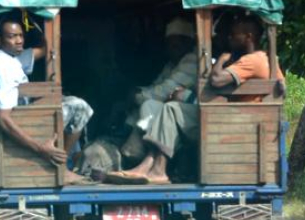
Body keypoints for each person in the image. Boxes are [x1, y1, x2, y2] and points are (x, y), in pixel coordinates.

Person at [109, 14, 279, 184]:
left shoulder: (251, 61)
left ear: (249, 37)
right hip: (227, 115)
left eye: (234, 34)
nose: (229, 38)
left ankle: (157, 169)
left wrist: (222, 58)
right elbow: (281, 84)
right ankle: (149, 166)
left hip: (228, 120)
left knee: (171, 109)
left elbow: (216, 80)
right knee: (170, 109)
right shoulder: (264, 59)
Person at [0, 15, 94, 186]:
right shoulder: (1, 67)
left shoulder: (11, 59)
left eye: (21, 35)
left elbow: (44, 50)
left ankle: (62, 164)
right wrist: (40, 148)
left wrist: (43, 27)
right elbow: (3, 119)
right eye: (12, 36)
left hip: (28, 114)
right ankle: (61, 167)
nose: (19, 41)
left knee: (72, 103)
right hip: (24, 121)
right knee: (79, 107)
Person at [120, 17, 198, 160]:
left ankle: (146, 156)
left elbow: (166, 91)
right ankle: (130, 152)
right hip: (173, 111)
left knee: (148, 104)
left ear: (188, 43)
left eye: (176, 45)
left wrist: (138, 95)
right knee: (145, 107)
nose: (172, 48)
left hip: (191, 116)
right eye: (170, 44)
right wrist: (139, 92)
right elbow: (156, 86)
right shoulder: (171, 64)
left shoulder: (192, 61)